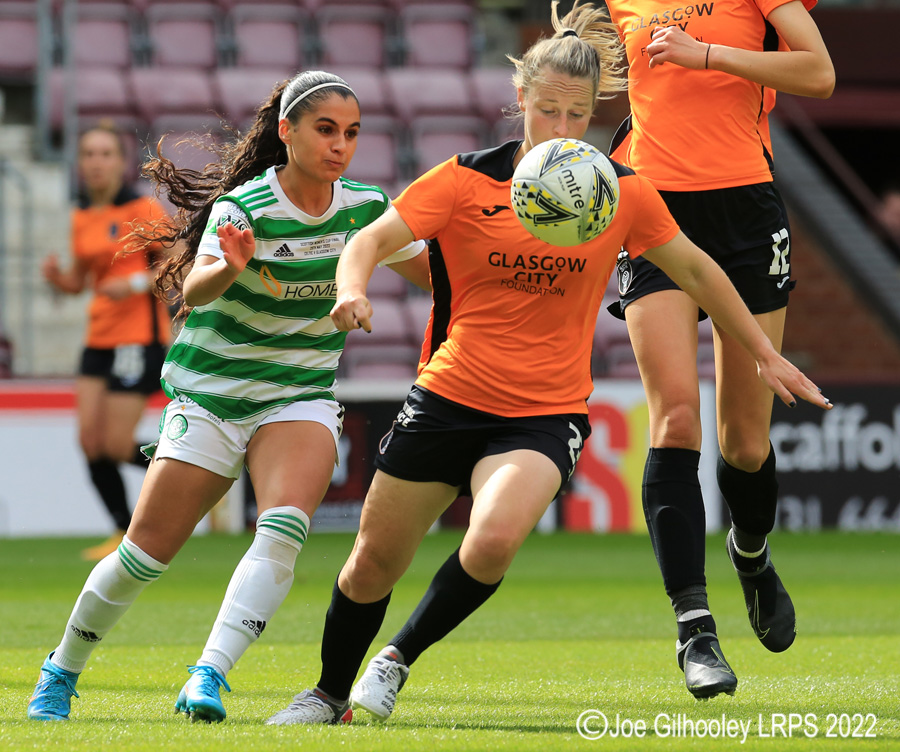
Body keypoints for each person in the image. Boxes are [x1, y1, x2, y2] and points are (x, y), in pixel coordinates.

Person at [264, 2, 831, 726]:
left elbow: (696, 267)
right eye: (549, 111)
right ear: (520, 100)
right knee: (371, 563)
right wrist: (351, 289)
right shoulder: (465, 179)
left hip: (543, 412)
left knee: (494, 539)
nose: (563, 129)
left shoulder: (618, 192)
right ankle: (327, 694)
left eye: (578, 115)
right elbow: (369, 240)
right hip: (448, 394)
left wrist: (763, 352)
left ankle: (397, 658)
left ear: (597, 114)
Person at [26, 70, 428, 723]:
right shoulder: (245, 207)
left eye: (352, 133)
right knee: (142, 557)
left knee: (283, 531)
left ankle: (208, 675)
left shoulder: (364, 207)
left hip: (297, 393)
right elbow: (198, 287)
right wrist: (232, 266)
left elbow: (432, 273)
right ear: (286, 131)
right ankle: (61, 670)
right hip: (212, 395)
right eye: (326, 129)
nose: (340, 146)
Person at [602, 0, 835, 698]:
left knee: (745, 443)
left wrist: (705, 55)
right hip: (653, 208)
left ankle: (750, 553)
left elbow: (818, 73)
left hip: (746, 212)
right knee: (676, 420)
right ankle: (695, 631)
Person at [41, 121, 173, 561]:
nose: (96, 162)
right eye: (89, 154)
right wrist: (58, 279)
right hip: (98, 337)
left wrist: (134, 284)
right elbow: (80, 282)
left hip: (137, 337)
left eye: (105, 153)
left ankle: (194, 474)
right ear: (79, 164)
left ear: (120, 162)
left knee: (116, 444)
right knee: (89, 442)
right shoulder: (82, 215)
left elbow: (177, 264)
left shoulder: (143, 208)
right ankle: (122, 529)